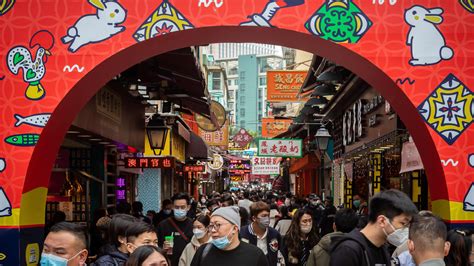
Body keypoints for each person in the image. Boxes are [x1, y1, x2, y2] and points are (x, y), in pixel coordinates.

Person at [330, 189, 418, 266]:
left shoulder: (382, 249)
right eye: (403, 223)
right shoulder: (348, 250)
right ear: (382, 221)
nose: (406, 229)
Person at [190, 206, 268, 266]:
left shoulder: (255, 255)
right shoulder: (203, 251)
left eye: (218, 225)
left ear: (234, 228)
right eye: (211, 226)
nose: (213, 230)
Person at [240, 201, 285, 266]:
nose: (267, 219)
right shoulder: (243, 233)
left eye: (268, 215)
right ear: (254, 218)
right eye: (263, 216)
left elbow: (280, 254)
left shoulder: (274, 234)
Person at [156, 193, 194, 266]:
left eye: (183, 207)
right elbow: (156, 246)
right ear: (172, 207)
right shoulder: (163, 225)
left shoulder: (193, 225)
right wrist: (163, 248)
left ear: (188, 207)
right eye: (176, 207)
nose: (179, 210)